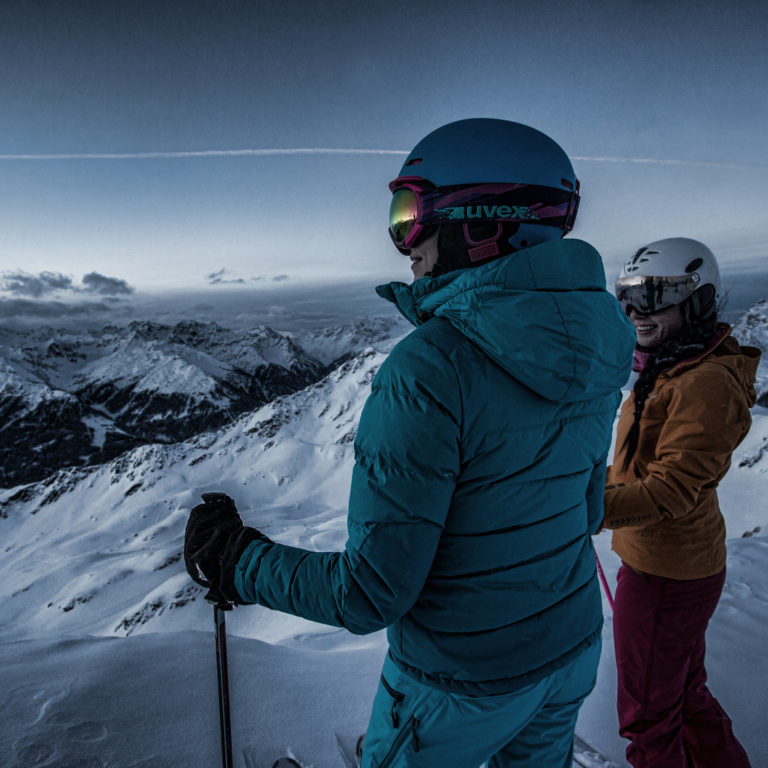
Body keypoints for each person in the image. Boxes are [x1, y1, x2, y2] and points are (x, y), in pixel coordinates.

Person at [184, 118, 636, 767]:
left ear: (481, 220)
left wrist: (236, 559)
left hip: (458, 685)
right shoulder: (602, 339)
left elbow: (370, 594)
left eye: (410, 212)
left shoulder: (432, 368)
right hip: (570, 653)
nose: (405, 243)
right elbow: (586, 510)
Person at [604, 237, 760, 768]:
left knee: (648, 715)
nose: (635, 312)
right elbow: (639, 469)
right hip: (672, 565)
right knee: (682, 697)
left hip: (665, 574)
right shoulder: (673, 368)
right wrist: (582, 482)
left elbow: (671, 489)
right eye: (628, 297)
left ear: (697, 299)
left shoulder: (704, 382)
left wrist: (583, 507)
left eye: (654, 297)